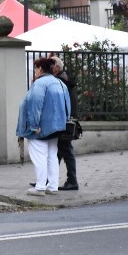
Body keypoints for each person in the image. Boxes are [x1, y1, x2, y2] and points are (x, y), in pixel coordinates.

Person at [16, 57, 71, 196]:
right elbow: (67, 105)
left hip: (40, 128)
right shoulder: (59, 82)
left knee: (39, 156)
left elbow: (35, 105)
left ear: (40, 69)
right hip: (57, 126)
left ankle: (40, 187)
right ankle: (52, 186)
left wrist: (34, 125)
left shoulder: (40, 84)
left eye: (35, 68)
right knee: (52, 155)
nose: (34, 71)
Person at [51, 55, 79, 190]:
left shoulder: (60, 81)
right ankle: (48, 179)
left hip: (65, 121)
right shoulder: (64, 79)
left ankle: (72, 181)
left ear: (56, 67)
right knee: (59, 151)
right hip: (68, 120)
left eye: (51, 65)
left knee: (65, 150)